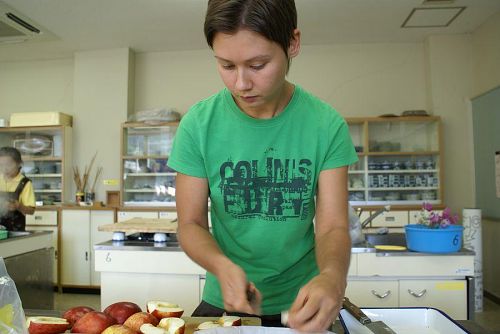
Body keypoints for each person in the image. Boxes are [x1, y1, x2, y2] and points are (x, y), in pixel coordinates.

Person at [167, 0, 358, 331]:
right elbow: (191, 223)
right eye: (227, 66)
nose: (241, 84)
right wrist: (221, 266)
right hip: (225, 296)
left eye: (257, 65)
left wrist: (332, 278)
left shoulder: (326, 125)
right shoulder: (198, 124)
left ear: (293, 43)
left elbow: (331, 227)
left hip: (302, 301)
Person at [0, 147, 35, 231]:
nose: (5, 169)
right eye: (1, 165)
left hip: (16, 229)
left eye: (8, 165)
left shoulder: (25, 183)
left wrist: (18, 206)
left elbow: (31, 210)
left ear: (19, 163)